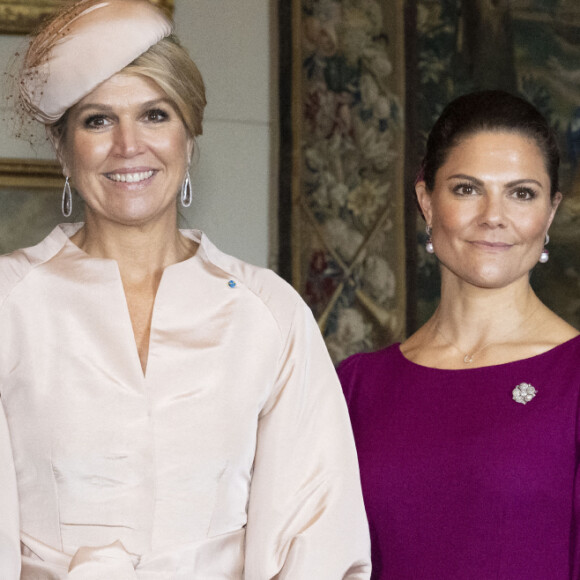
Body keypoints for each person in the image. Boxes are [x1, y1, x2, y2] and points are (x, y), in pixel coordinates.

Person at [0, 1, 371, 577]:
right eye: (98, 120)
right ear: (63, 150)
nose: (128, 145)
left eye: (154, 115)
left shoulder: (267, 315)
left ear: (190, 136)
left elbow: (316, 534)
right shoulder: (9, 303)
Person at [338, 90, 580, 579]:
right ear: (426, 200)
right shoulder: (356, 387)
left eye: (522, 193)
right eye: (467, 189)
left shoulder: (574, 379)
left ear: (550, 213)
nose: (493, 215)